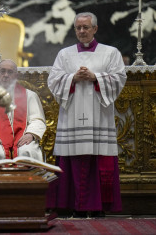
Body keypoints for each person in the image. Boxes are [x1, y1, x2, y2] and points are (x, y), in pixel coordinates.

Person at [46, 12, 127, 218]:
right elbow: (53, 80)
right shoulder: (64, 54)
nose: (82, 31)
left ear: (95, 29)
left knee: (98, 159)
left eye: (86, 27)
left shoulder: (110, 53)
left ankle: (98, 207)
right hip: (72, 116)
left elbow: (119, 78)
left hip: (99, 116)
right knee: (72, 160)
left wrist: (95, 77)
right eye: (78, 28)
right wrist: (72, 78)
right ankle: (74, 206)